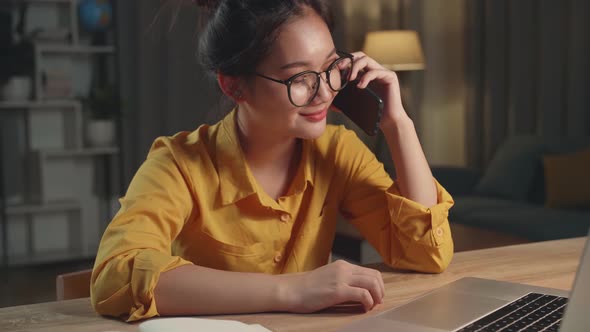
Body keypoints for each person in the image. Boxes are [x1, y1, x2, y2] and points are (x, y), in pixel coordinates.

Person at [90, 0, 454, 322]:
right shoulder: (179, 163)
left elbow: (425, 255)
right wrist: (293, 291)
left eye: (331, 68)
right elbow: (116, 276)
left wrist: (398, 123)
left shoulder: (337, 151)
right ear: (234, 86)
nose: (325, 91)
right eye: (299, 78)